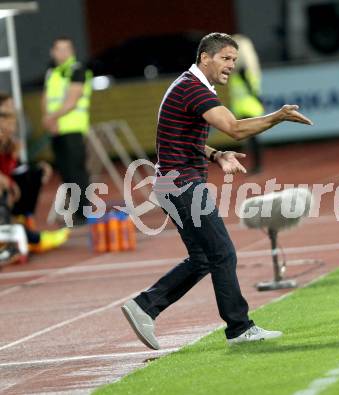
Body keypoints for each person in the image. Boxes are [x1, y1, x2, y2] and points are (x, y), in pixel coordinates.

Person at [121, 33, 312, 348]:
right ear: (205, 58)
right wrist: (278, 117)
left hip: (172, 184)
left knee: (203, 258)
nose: (231, 66)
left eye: (234, 60)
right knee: (223, 253)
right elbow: (235, 129)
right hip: (181, 185)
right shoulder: (193, 89)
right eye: (225, 58)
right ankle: (239, 328)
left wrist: (215, 154)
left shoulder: (187, 85)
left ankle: (145, 306)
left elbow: (180, 137)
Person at [0, 92, 70, 255]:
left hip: (7, 189)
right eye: (8, 117)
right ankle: (31, 238)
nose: (13, 124)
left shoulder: (11, 143)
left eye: (14, 119)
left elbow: (13, 169)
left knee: (34, 174)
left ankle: (22, 223)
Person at [41, 37, 92, 225]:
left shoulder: (77, 70)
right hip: (57, 129)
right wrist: (48, 118)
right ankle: (77, 212)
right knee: (64, 172)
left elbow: (72, 100)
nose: (63, 53)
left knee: (76, 171)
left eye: (66, 49)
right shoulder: (51, 72)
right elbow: (46, 97)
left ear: (72, 51)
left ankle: (83, 213)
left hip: (73, 129)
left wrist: (51, 118)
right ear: (52, 52)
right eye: (59, 49)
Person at [230, 34, 265, 174]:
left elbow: (249, 86)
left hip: (248, 107)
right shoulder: (247, 70)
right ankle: (256, 165)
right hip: (249, 106)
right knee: (252, 139)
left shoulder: (242, 72)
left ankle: (257, 166)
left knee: (253, 140)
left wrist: (256, 97)